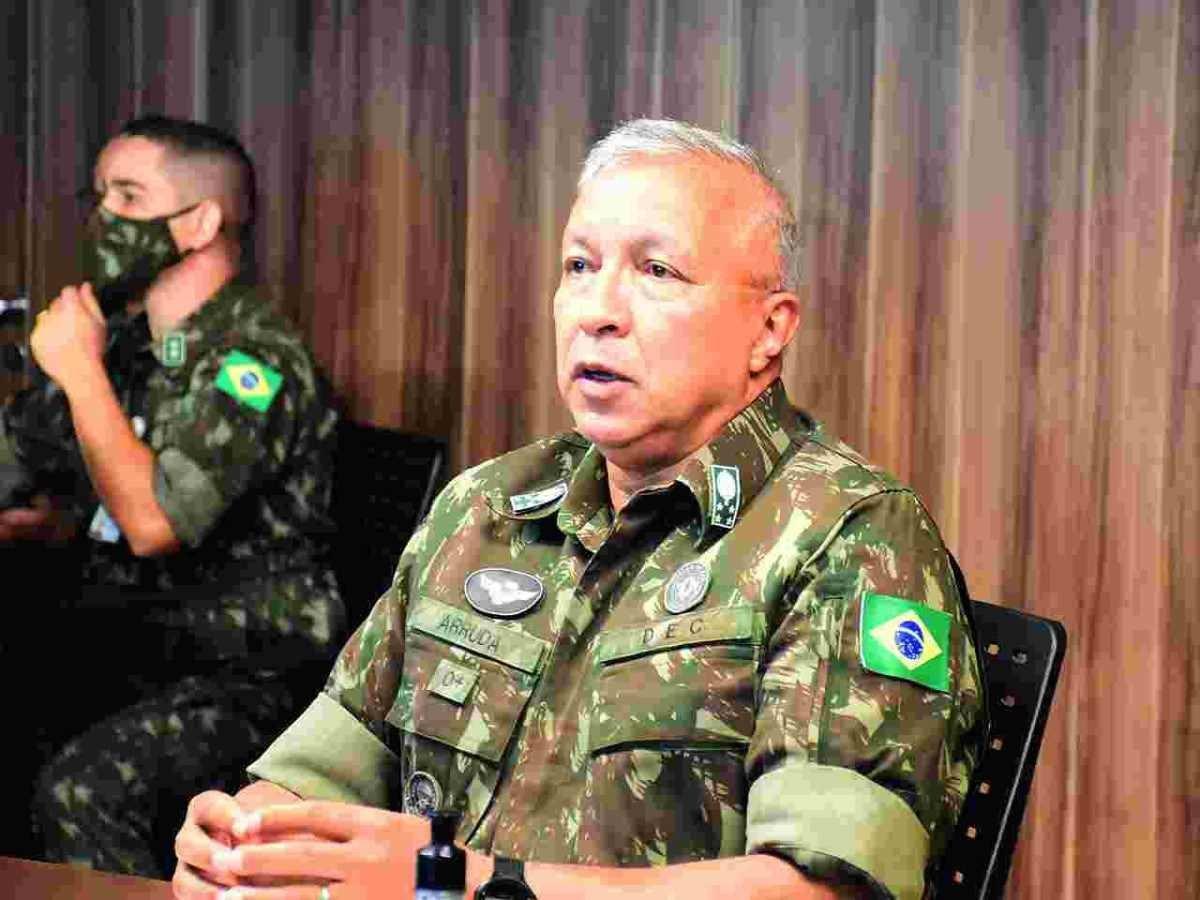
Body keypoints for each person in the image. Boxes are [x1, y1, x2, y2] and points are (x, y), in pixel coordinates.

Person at [172, 119, 984, 900]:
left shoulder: (850, 537)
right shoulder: (486, 507)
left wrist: (464, 884)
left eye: (657, 271)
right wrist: (242, 841)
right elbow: (318, 774)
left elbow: (816, 889)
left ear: (769, 330)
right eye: (579, 266)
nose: (598, 310)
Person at [0, 115, 344, 877]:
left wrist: (79, 371)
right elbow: (16, 454)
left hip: (248, 670)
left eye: (128, 197)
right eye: (100, 196)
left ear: (199, 224)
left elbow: (154, 522)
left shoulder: (254, 362)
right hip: (130, 640)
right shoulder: (129, 346)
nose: (104, 218)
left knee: (80, 793)